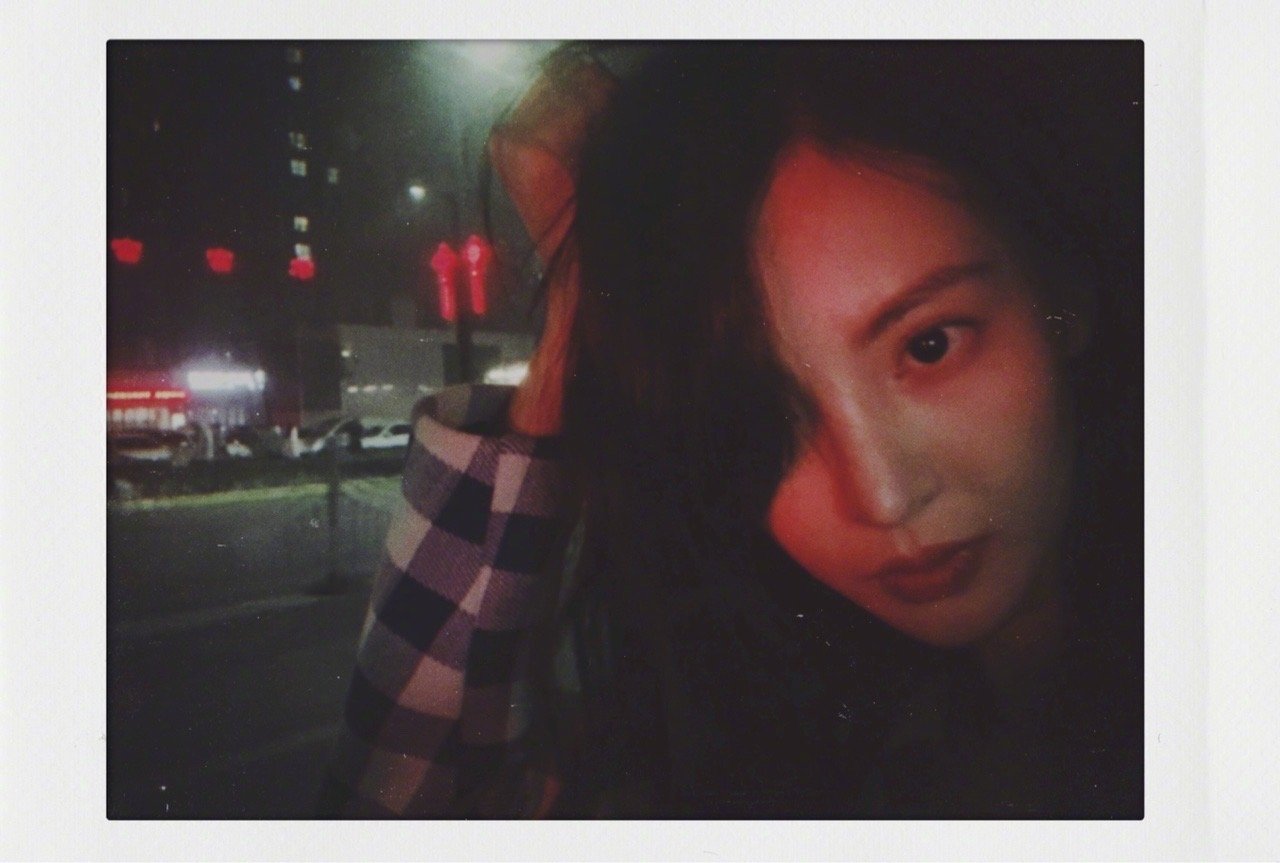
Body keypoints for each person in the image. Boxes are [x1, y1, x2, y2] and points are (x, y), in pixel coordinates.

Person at [319, 42, 1143, 818]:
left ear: (1061, 297)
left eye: (929, 346)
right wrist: (585, 291)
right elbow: (399, 798)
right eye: (761, 408)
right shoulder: (793, 754)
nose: (884, 496)